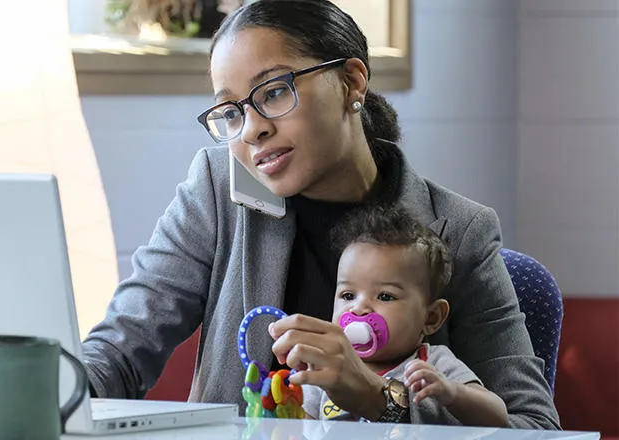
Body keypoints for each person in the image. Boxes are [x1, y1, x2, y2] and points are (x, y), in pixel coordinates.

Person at [82, 0, 560, 428]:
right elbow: (120, 353)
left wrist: (380, 399)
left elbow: (534, 426)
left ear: (352, 81)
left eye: (272, 92)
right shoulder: (218, 187)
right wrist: (46, 386)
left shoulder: (459, 230)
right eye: (230, 111)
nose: (251, 130)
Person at [296, 205, 507, 426]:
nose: (359, 308)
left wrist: (452, 393)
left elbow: (498, 417)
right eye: (348, 295)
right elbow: (301, 426)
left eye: (385, 296)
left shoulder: (431, 365)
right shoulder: (327, 363)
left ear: (431, 318)